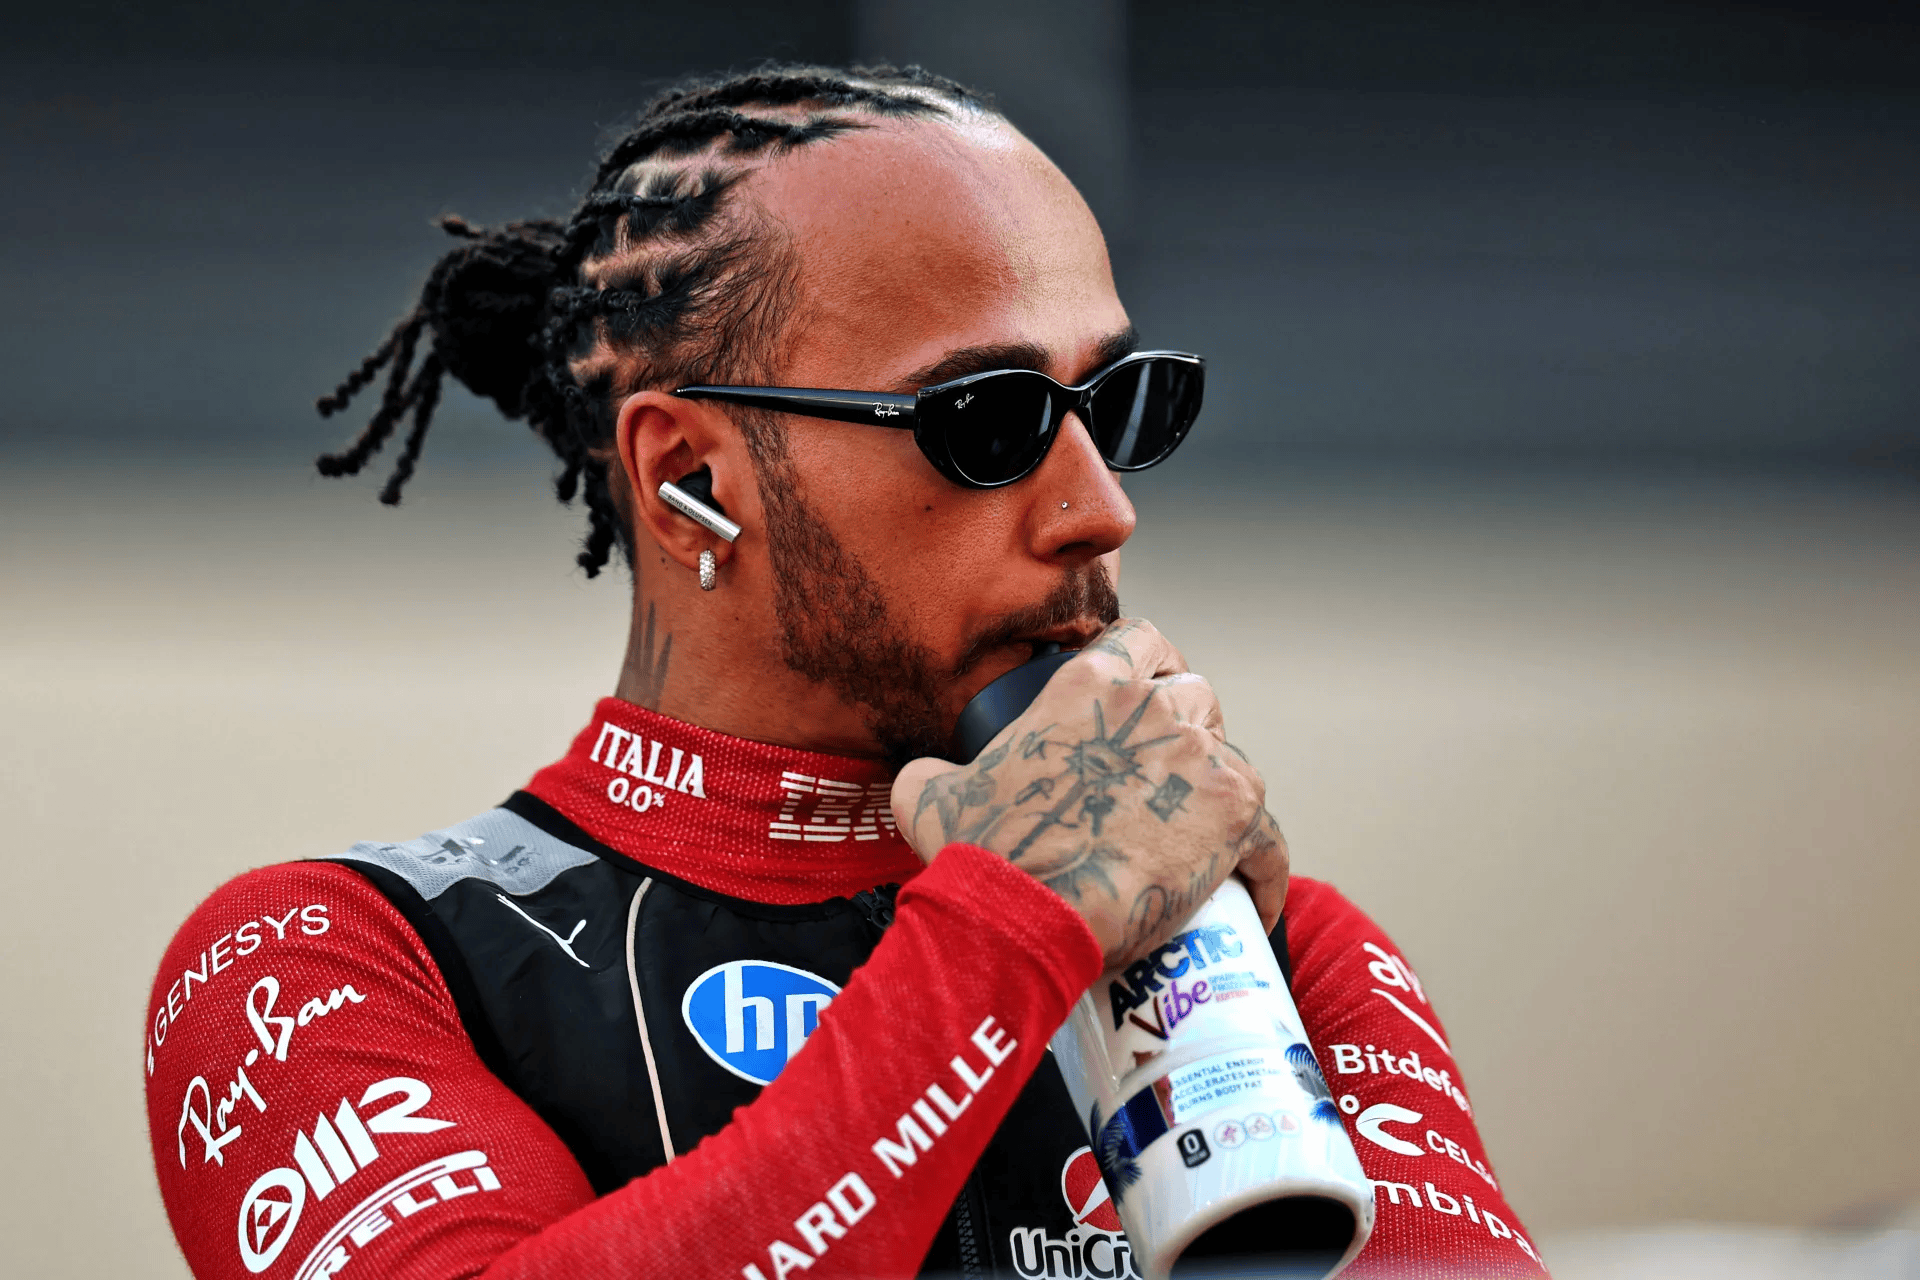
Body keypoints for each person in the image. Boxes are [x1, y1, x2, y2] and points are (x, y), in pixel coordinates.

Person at [144, 64, 1548, 1279]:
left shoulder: (1275, 943)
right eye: (985, 417)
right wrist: (1010, 930)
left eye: (1119, 403)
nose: (1101, 506)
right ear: (692, 476)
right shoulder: (316, 960)